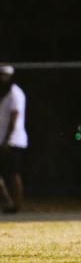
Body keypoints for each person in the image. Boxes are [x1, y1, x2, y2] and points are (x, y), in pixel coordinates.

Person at [0, 66, 27, 213]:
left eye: (4, 75)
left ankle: (17, 205)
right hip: (2, 139)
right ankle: (7, 201)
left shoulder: (15, 93)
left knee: (13, 173)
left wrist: (6, 140)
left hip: (13, 140)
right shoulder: (4, 94)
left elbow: (14, 118)